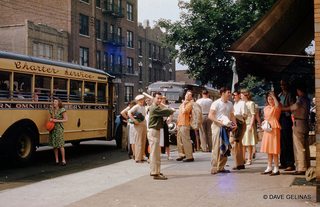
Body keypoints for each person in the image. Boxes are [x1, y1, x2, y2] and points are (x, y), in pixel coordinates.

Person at [282, 85, 311, 175]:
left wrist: (282, 108)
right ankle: (307, 165)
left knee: (299, 147)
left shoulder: (300, 100)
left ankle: (301, 167)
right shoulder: (307, 99)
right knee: (305, 147)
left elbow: (292, 107)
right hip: (305, 122)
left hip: (299, 123)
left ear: (299, 90)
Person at [209, 87, 237, 174]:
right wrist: (219, 122)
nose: (230, 94)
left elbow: (232, 115)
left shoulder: (230, 104)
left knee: (225, 146)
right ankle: (214, 167)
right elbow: (210, 115)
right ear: (222, 93)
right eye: (228, 92)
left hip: (226, 127)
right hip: (217, 126)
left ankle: (221, 167)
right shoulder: (216, 103)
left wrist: (234, 124)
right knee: (216, 146)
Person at [148, 92, 175, 180]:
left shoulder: (157, 107)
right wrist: (171, 110)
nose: (159, 100)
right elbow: (165, 112)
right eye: (157, 98)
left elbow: (164, 111)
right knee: (154, 153)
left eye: (160, 98)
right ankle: (155, 173)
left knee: (157, 153)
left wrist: (168, 109)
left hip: (157, 130)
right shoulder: (154, 108)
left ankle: (157, 171)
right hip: (153, 131)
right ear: (153, 98)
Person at [260, 91, 281, 176]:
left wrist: (274, 96)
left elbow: (277, 105)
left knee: (274, 149)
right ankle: (269, 167)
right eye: (269, 99)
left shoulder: (276, 107)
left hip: (274, 128)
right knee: (269, 149)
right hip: (267, 128)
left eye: (272, 99)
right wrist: (263, 122)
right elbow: (266, 118)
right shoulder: (266, 108)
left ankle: (276, 168)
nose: (270, 100)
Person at [278, 80, 295, 171]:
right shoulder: (280, 95)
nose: (282, 86)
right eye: (281, 85)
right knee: (282, 142)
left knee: (287, 142)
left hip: (286, 118)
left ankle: (290, 163)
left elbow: (291, 107)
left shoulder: (290, 95)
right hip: (280, 118)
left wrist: (282, 109)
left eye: (284, 84)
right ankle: (283, 162)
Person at [176, 90, 194, 162]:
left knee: (186, 140)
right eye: (187, 94)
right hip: (180, 123)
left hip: (185, 123)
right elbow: (179, 114)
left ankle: (189, 156)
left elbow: (184, 111)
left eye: (189, 95)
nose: (187, 96)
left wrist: (183, 104)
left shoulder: (190, 104)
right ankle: (181, 154)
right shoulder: (182, 104)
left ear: (191, 97)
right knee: (179, 140)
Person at [48, 98, 68, 166]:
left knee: (60, 145)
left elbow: (65, 120)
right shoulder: (52, 110)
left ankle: (63, 160)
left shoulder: (62, 110)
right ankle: (56, 160)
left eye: (55, 102)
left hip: (59, 128)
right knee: (55, 145)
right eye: (53, 101)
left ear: (59, 103)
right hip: (53, 128)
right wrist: (51, 119)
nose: (54, 103)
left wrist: (57, 120)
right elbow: (51, 118)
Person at [128, 94, 147, 163]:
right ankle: (137, 158)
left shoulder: (143, 107)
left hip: (143, 124)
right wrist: (134, 120)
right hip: (138, 125)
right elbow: (129, 112)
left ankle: (141, 156)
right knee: (138, 141)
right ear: (138, 101)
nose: (142, 100)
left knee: (143, 141)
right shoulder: (136, 106)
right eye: (141, 99)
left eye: (142, 99)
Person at [231, 91, 247, 170]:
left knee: (237, 144)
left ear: (239, 96)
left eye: (234, 95)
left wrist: (236, 116)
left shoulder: (242, 103)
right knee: (235, 144)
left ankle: (239, 164)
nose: (233, 97)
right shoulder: (235, 104)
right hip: (235, 124)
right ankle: (239, 163)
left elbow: (244, 115)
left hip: (240, 124)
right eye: (232, 95)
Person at [241, 90, 257, 165]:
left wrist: (251, 125)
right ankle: (243, 158)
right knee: (243, 143)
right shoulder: (242, 103)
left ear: (246, 95)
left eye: (242, 95)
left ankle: (249, 158)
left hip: (248, 123)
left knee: (249, 143)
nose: (241, 96)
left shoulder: (251, 103)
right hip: (243, 124)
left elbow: (253, 114)